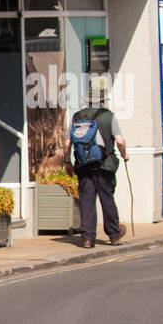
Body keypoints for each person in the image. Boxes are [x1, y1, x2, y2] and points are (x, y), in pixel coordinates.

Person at [68, 102, 128, 249]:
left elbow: (67, 142)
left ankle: (88, 238)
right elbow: (119, 141)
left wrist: (66, 161)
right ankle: (114, 234)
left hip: (83, 165)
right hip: (104, 165)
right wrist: (124, 154)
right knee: (106, 198)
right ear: (102, 102)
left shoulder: (76, 117)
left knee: (87, 201)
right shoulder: (109, 116)